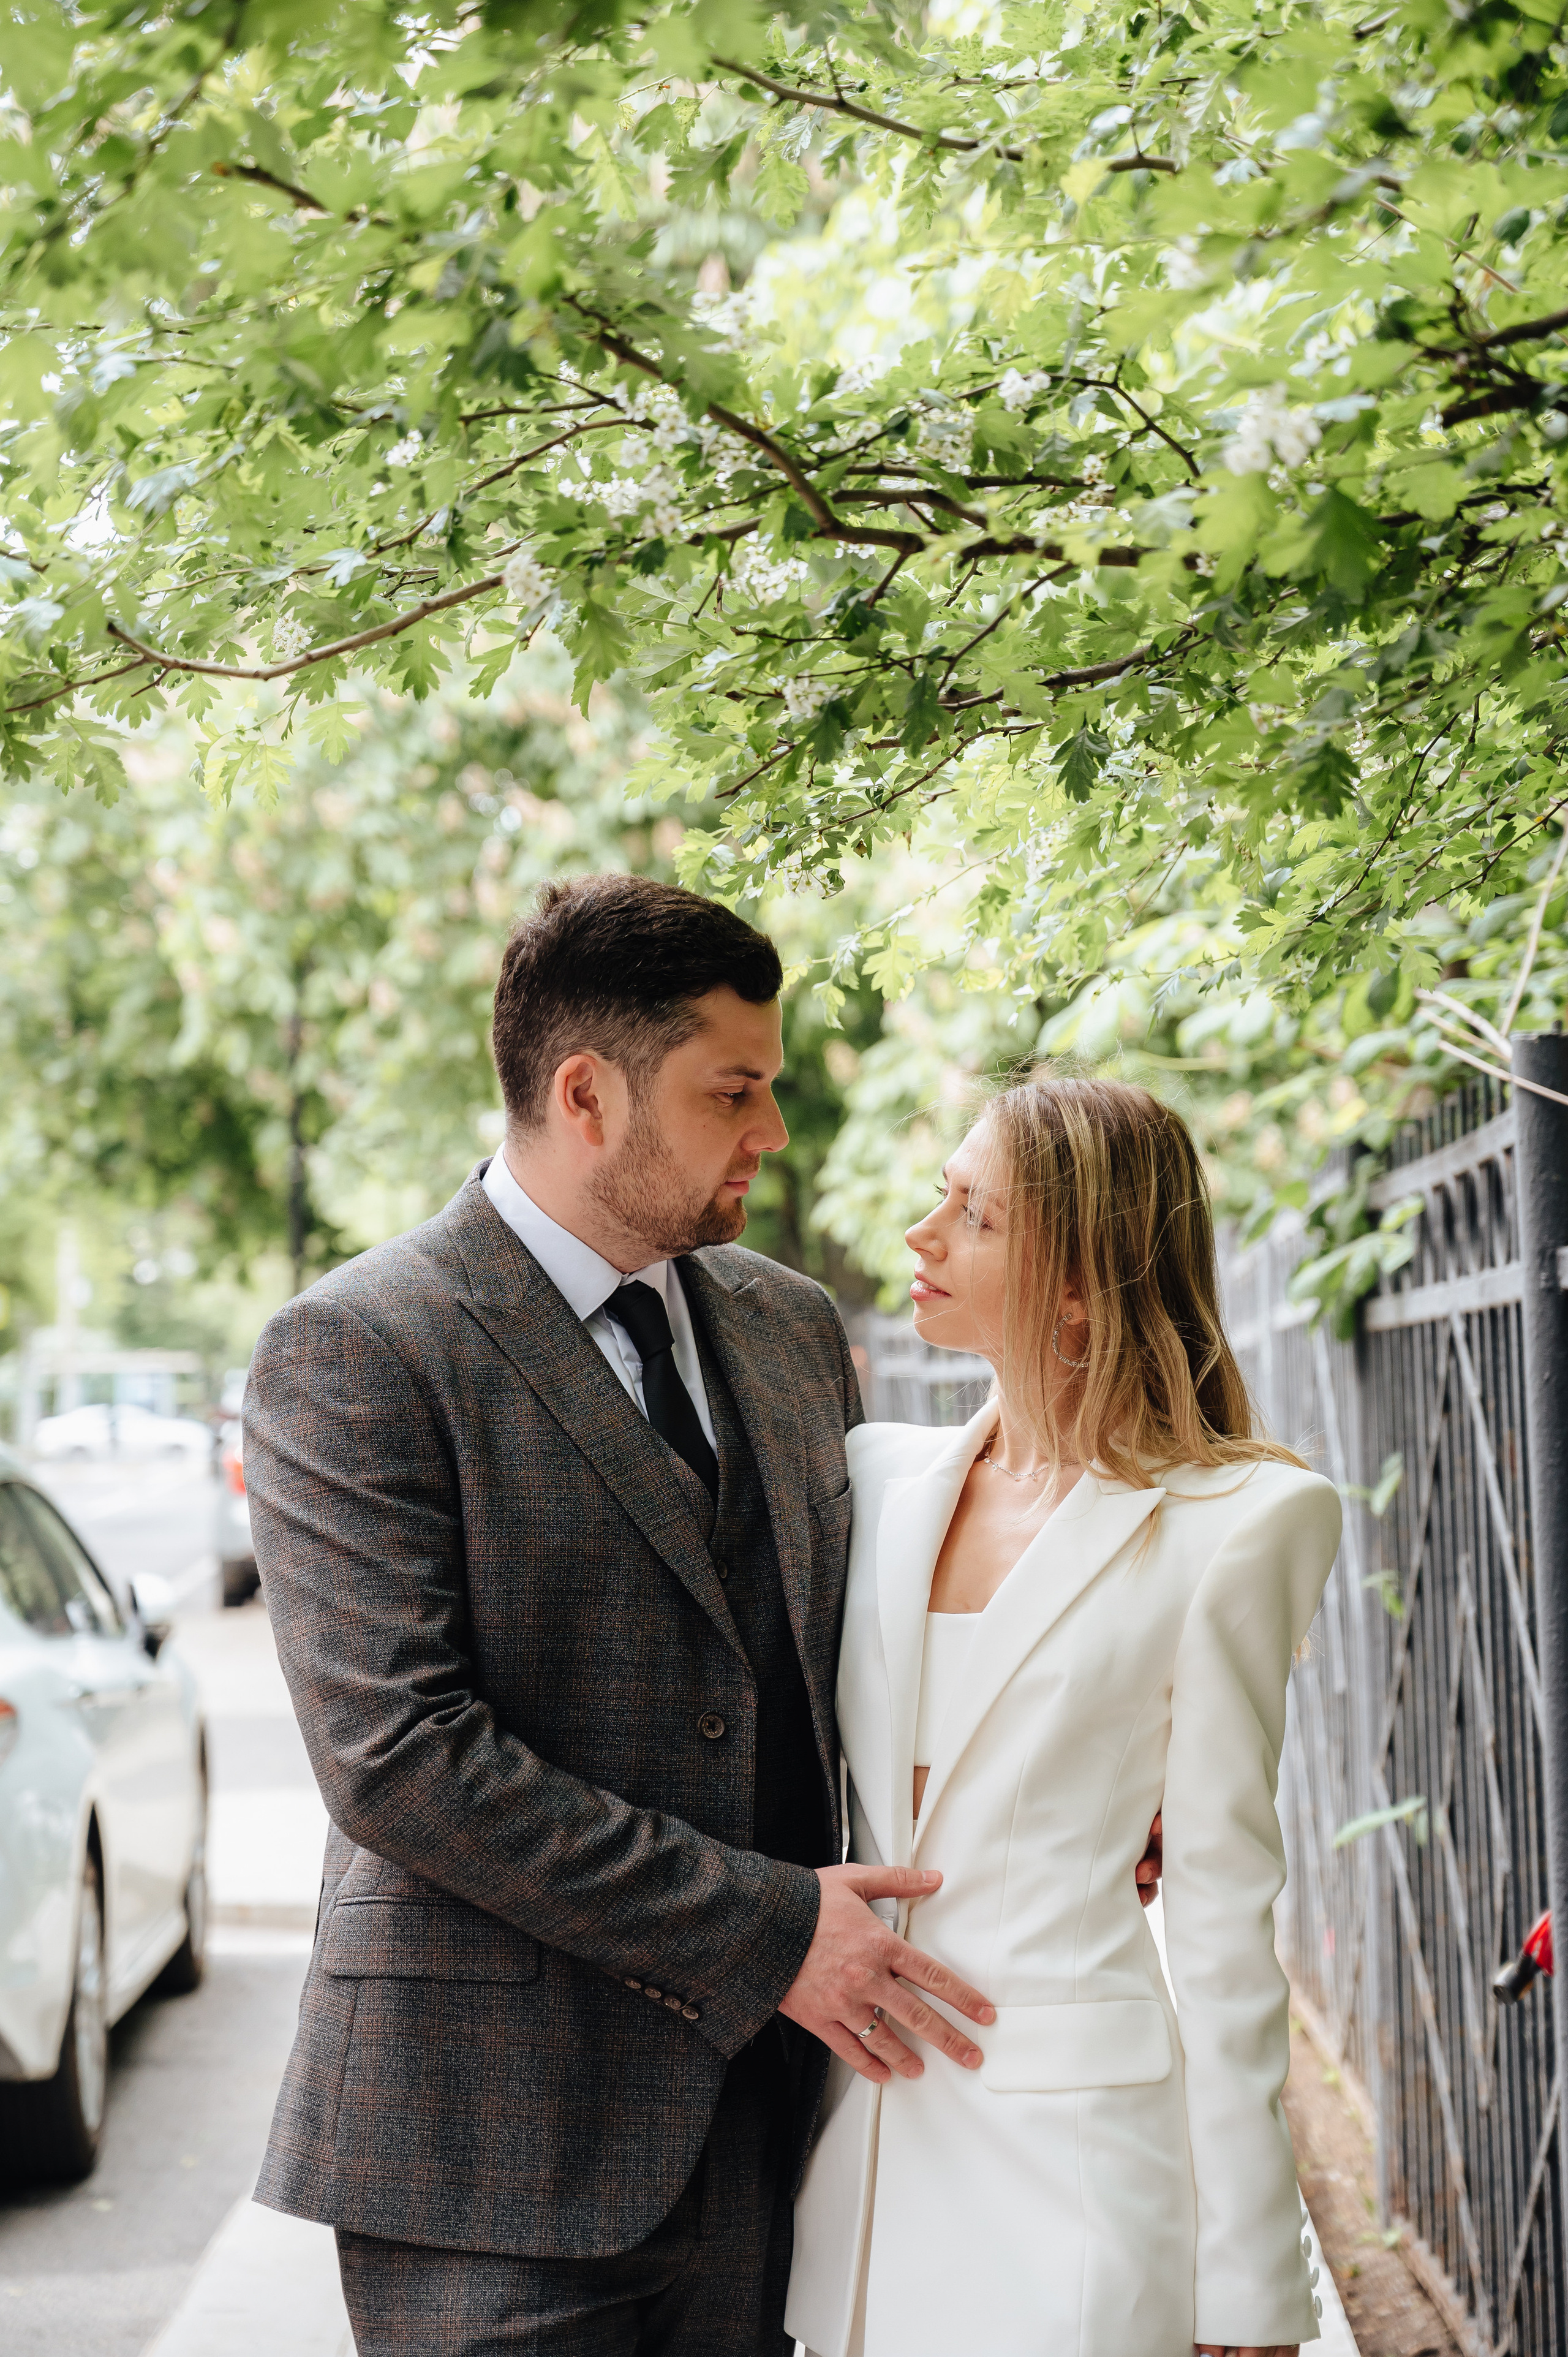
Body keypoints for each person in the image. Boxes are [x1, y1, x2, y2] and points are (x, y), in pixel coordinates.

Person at [242, 875, 1000, 2357]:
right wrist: (768, 1930)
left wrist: (1057, 1782)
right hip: (486, 2149)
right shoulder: (360, 1345)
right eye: (733, 1090)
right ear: (585, 1094)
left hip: (769, 2128)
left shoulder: (789, 1324)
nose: (772, 1133)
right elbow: (401, 1758)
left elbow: (862, 1637)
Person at [785, 1073, 1341, 2357]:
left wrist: (1249, 2275)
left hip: (1077, 2178)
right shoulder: (873, 1480)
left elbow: (1222, 1915)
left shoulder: (1239, 1523)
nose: (922, 1234)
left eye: (973, 1215)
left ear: (1082, 1282)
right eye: (940, 1196)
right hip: (859, 2166)